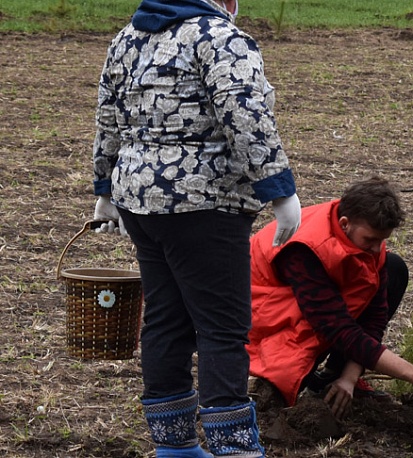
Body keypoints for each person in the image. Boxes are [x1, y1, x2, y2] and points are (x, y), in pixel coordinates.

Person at [92, 0, 301, 456]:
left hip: (139, 201)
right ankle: (234, 449)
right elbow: (246, 116)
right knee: (222, 329)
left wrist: (106, 189)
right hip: (204, 202)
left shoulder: (128, 37)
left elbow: (108, 114)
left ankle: (176, 448)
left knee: (167, 321)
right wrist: (281, 191)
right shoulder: (219, 37)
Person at [246, 176, 413, 419]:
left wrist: (349, 376)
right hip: (262, 317)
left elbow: (375, 319)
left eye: (382, 240)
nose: (378, 249)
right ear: (345, 224)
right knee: (286, 383)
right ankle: (267, 383)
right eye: (371, 240)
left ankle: (332, 375)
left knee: (393, 268)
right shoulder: (304, 249)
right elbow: (337, 329)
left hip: (313, 308)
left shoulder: (364, 237)